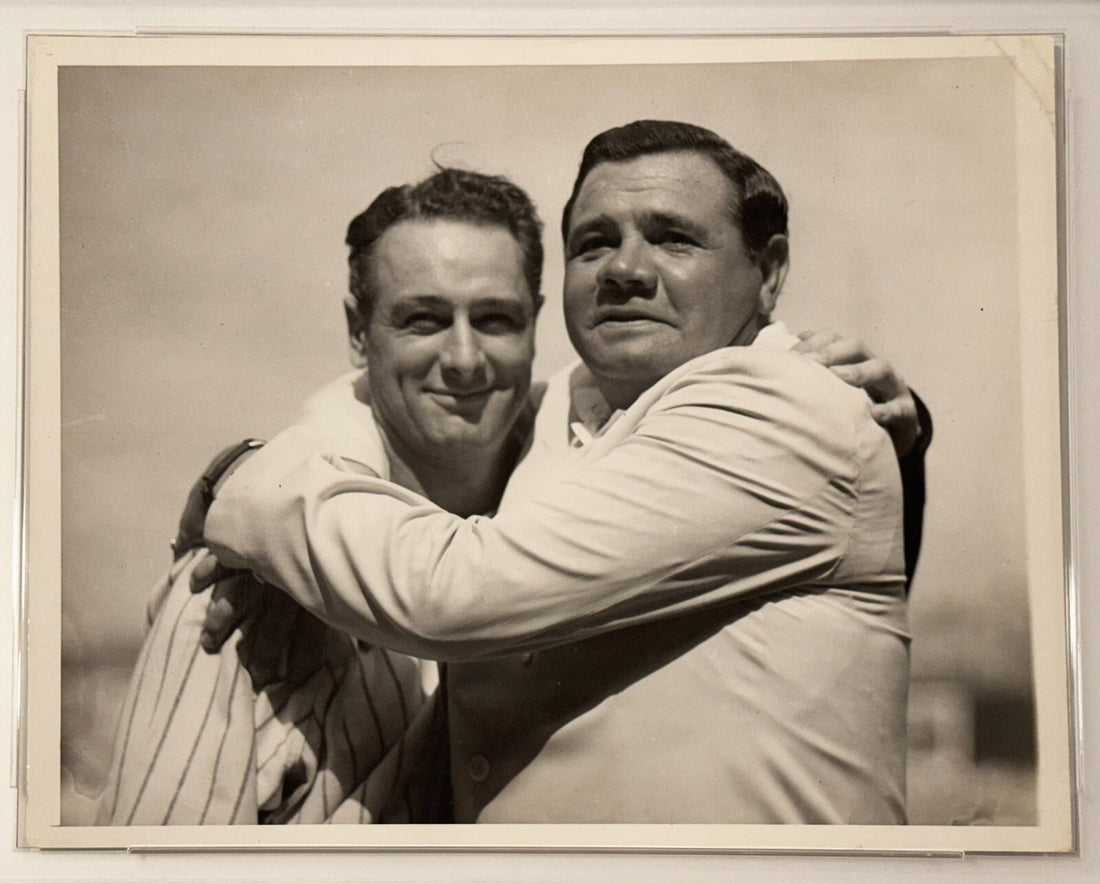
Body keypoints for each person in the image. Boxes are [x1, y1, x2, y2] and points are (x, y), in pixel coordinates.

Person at [201, 120, 929, 824]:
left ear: (767, 273)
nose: (625, 270)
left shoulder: (781, 404)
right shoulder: (562, 408)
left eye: (672, 238)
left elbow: (453, 592)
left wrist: (248, 483)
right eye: (594, 243)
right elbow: (371, 407)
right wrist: (254, 510)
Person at [96, 168, 545, 824]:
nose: (465, 357)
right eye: (423, 319)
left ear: (537, 321)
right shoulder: (238, 591)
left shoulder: (580, 513)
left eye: (496, 318)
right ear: (359, 333)